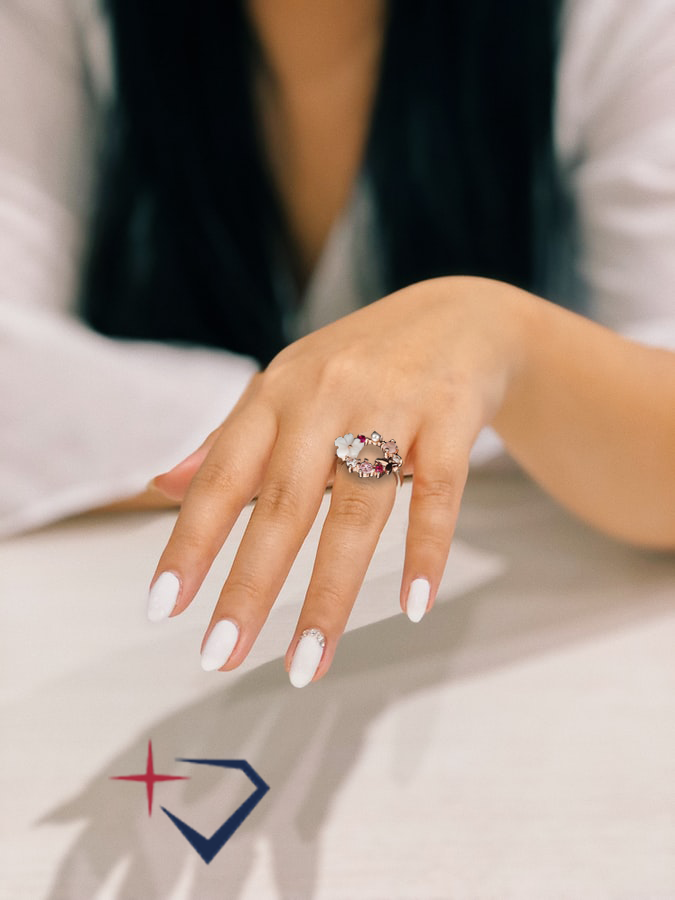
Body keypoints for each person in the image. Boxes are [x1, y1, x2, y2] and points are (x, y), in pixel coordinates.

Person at [2, 1, 674, 687]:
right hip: (120, 668)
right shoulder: (56, 19)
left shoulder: (616, 20)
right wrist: (339, 421)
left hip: (535, 675)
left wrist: (498, 335)